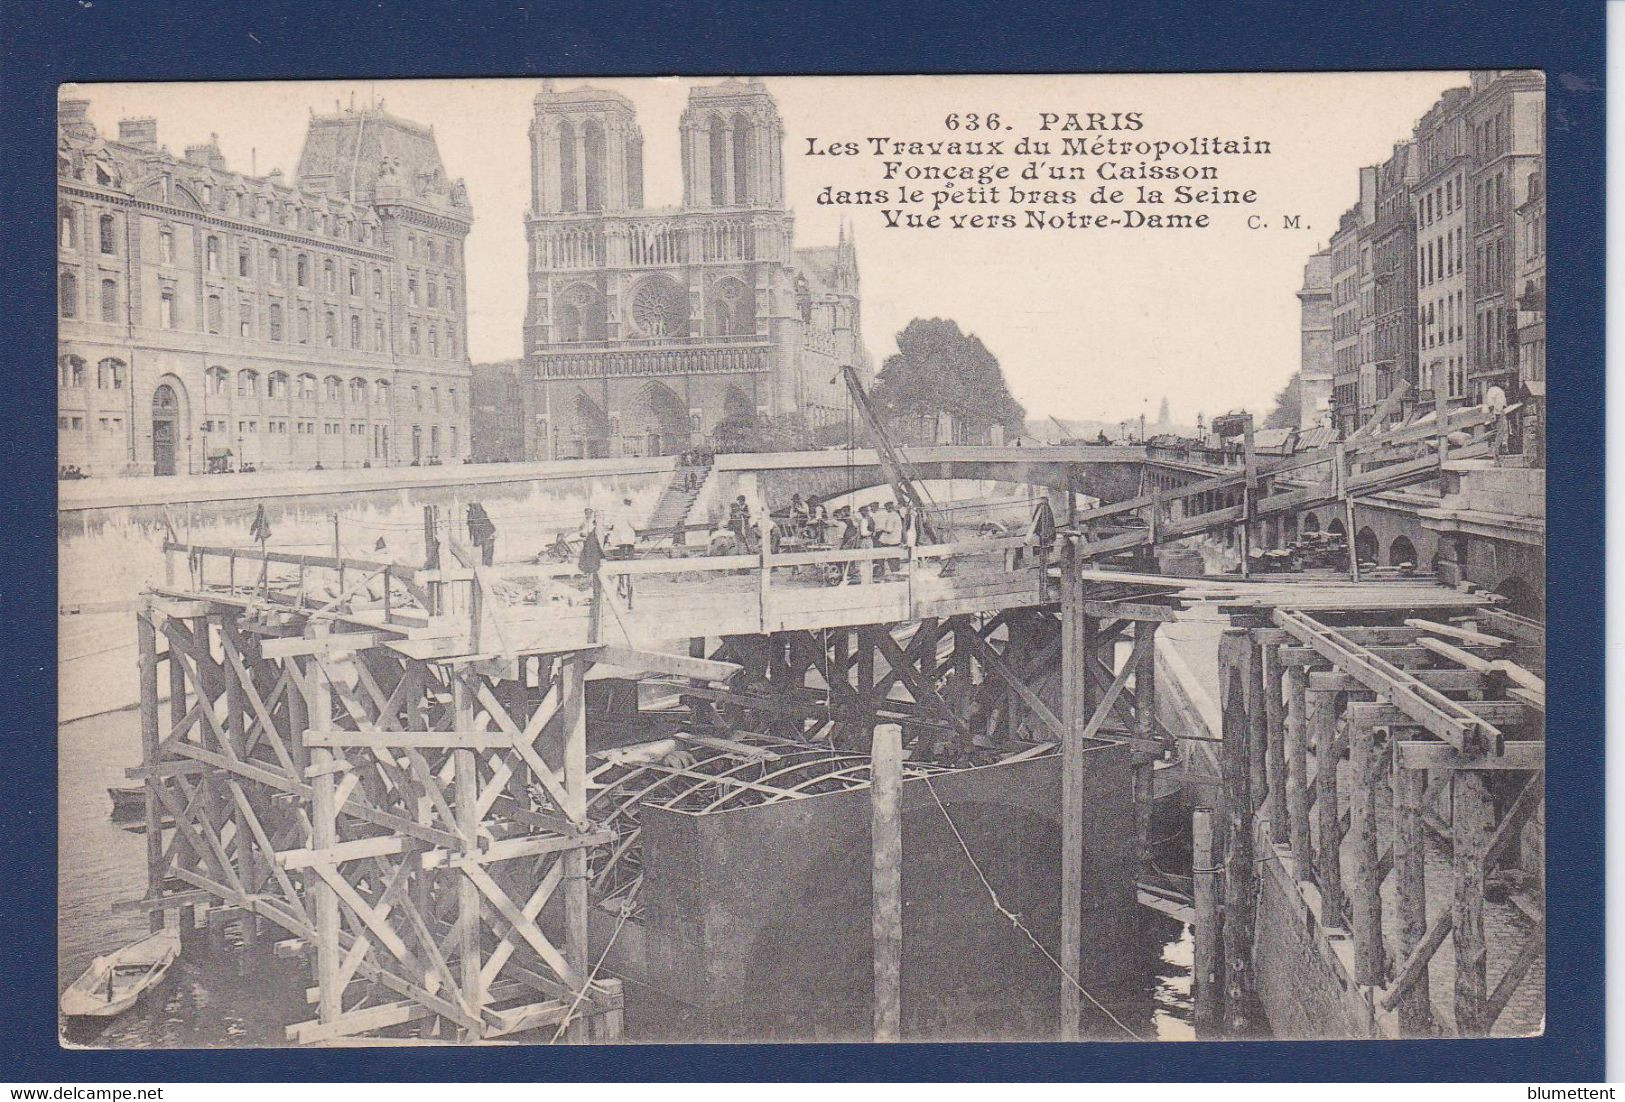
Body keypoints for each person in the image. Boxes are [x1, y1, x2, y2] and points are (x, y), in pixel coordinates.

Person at [604, 496, 639, 606]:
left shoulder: (618, 510)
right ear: (629, 502)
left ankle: (622, 588)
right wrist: (638, 528)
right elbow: (633, 524)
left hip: (619, 540)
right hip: (628, 540)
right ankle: (627, 591)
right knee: (629, 565)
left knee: (622, 563)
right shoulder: (630, 510)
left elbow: (610, 524)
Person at [466, 502, 497, 566]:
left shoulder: (477, 514)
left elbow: (474, 527)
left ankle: (486, 566)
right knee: (485, 553)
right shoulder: (476, 514)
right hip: (486, 535)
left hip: (487, 535)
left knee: (486, 552)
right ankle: (485, 565)